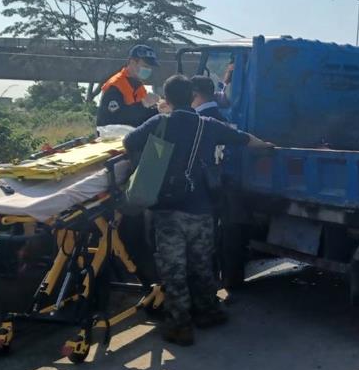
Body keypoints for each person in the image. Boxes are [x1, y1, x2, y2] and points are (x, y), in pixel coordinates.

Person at [123, 75, 272, 346]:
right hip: (201, 210)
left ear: (166, 100)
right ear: (193, 97)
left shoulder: (160, 122)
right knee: (202, 264)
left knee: (174, 271)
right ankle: (209, 312)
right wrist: (267, 145)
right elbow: (243, 139)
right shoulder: (209, 125)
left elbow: (129, 143)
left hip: (167, 211)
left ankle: (180, 326)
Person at [96, 45, 163, 128]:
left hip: (130, 136)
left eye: (150, 67)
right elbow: (113, 118)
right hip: (111, 138)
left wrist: (159, 110)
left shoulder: (139, 86)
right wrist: (143, 104)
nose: (148, 70)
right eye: (145, 66)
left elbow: (142, 115)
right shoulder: (115, 85)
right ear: (132, 62)